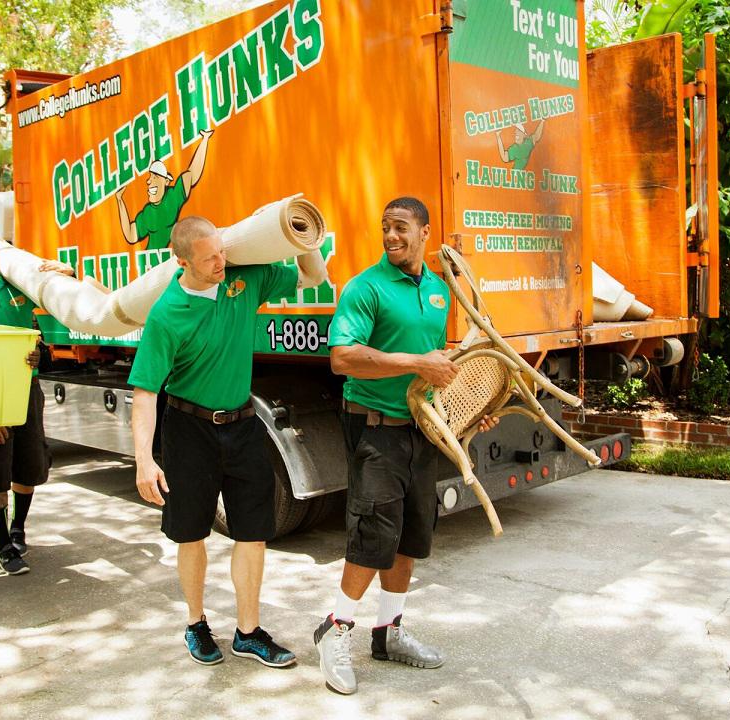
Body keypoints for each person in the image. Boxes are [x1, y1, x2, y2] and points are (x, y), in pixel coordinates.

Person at [313, 197, 498, 694]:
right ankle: (335, 630)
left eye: (401, 227)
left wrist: (469, 412)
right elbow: (342, 358)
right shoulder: (366, 287)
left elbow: (439, 369)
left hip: (422, 428)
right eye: (385, 228)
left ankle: (388, 632)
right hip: (375, 428)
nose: (391, 236)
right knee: (373, 534)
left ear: (424, 232)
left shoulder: (437, 291)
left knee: (410, 535)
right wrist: (417, 363)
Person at [130, 215, 327, 666]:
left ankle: (248, 633)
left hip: (243, 424)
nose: (221, 262)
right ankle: (196, 623)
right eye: (209, 259)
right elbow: (145, 393)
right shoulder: (167, 314)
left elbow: (313, 276)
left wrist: (304, 234)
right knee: (190, 533)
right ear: (182, 262)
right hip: (189, 430)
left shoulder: (243, 279)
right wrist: (144, 459)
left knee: (254, 532)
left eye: (221, 252)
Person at [0, 230, 72, 574]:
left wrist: (63, 270)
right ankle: (3, 545)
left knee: (29, 463)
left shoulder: (16, 285)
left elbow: (61, 288)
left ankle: (18, 527)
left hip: (26, 386)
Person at [115, 129, 213, 249]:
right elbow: (130, 235)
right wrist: (119, 200)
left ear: (166, 181)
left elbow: (192, 174)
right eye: (150, 177)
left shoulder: (173, 196)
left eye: (155, 177)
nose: (149, 181)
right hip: (153, 259)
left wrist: (205, 140)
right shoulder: (147, 212)